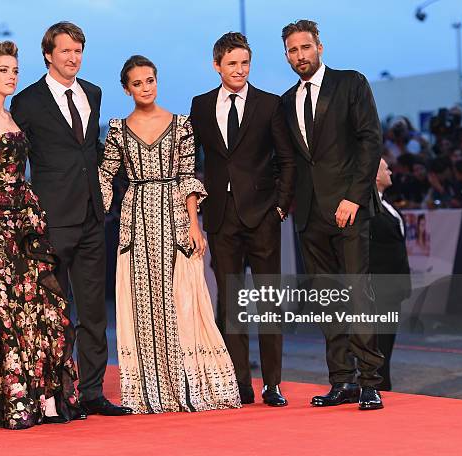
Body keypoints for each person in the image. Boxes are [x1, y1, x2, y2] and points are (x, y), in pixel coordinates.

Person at [0, 22, 130, 417]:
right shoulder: (25, 101)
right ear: (48, 55)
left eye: (79, 51)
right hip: (47, 220)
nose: (73, 58)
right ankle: (57, 396)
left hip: (93, 217)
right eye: (65, 52)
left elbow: (90, 150)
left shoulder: (92, 92)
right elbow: (3, 144)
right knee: (53, 313)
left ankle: (92, 392)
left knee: (94, 312)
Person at [99, 55, 241, 414]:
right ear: (126, 88)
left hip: (175, 219)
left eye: (150, 80)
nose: (145, 88)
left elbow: (189, 176)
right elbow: (105, 175)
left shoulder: (181, 125)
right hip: (135, 222)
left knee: (183, 302)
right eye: (137, 83)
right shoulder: (117, 128)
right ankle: (148, 391)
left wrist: (195, 224)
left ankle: (189, 385)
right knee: (141, 305)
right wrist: (82, 214)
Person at [0, 41, 79, 429]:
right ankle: (14, 401)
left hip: (25, 222)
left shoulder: (12, 119)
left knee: (39, 307)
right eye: (3, 70)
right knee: (3, 311)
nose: (11, 76)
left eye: (14, 70)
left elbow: (19, 171)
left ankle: (43, 397)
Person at [280, 19, 385, 410]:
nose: (300, 56)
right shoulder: (287, 100)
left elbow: (370, 139)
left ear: (319, 48)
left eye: (305, 47)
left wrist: (355, 197)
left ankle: (370, 382)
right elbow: (290, 160)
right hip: (309, 214)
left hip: (349, 208)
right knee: (328, 299)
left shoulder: (350, 83)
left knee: (358, 293)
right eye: (292, 50)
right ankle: (342, 381)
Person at [190, 32, 296, 407]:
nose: (239, 70)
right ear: (217, 65)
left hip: (264, 217)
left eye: (245, 63)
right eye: (232, 63)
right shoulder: (200, 106)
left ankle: (272, 384)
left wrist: (280, 209)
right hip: (221, 219)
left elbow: (287, 160)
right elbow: (190, 161)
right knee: (230, 306)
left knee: (269, 303)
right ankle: (238, 384)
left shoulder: (270, 104)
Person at [371, 158, 411, 391]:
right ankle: (376, 383)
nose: (390, 171)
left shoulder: (386, 204)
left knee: (386, 339)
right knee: (378, 338)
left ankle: (381, 381)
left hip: (392, 286)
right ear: (375, 176)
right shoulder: (368, 205)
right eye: (386, 169)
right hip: (378, 285)